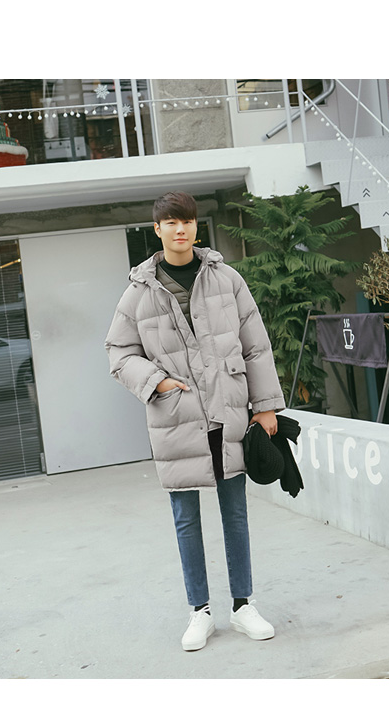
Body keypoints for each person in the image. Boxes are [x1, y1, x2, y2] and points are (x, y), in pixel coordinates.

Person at [105, 191, 281, 650]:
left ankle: (242, 606)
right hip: (177, 417)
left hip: (228, 411)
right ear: (157, 229)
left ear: (196, 227)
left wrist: (264, 405)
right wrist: (157, 382)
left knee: (235, 513)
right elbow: (118, 353)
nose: (179, 229)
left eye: (186, 221)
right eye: (170, 222)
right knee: (186, 519)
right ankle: (199, 612)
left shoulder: (227, 279)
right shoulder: (139, 291)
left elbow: (255, 344)